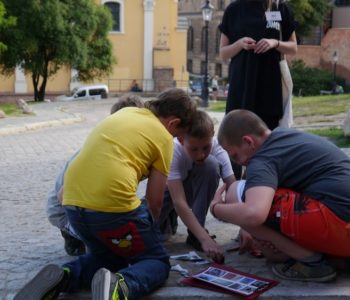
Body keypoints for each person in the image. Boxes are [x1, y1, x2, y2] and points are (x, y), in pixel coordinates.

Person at [15, 88, 197, 300]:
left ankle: (64, 276)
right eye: (178, 135)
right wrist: (147, 237)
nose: (175, 139)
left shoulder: (124, 114)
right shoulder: (164, 138)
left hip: (72, 204)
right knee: (155, 261)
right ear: (173, 124)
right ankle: (120, 286)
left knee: (109, 258)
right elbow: (155, 203)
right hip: (112, 209)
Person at [211, 109, 350, 283]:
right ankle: (336, 257)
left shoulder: (262, 159)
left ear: (248, 142)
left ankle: (313, 263)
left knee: (236, 193)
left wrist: (217, 209)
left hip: (341, 225)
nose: (238, 162)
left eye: (234, 155)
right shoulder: (283, 136)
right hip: (341, 222)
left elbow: (254, 214)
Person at [46, 94, 144, 256]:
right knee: (109, 248)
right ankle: (71, 234)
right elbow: (63, 196)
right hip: (64, 211)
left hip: (88, 207)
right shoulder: (98, 153)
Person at [159, 110, 235, 263]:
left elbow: (233, 186)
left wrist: (246, 229)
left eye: (205, 148)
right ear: (181, 139)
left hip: (189, 191)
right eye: (194, 149)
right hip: (168, 194)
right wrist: (206, 239)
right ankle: (168, 218)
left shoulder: (216, 147)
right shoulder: (174, 150)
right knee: (144, 231)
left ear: (212, 136)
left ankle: (195, 233)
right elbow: (178, 201)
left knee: (211, 165)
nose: (201, 154)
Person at [218, 0, 297, 130]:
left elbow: (293, 48)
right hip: (241, 85)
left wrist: (275, 43)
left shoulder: (280, 7)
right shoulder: (234, 9)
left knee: (268, 135)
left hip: (269, 86)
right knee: (238, 134)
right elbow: (223, 53)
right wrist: (240, 44)